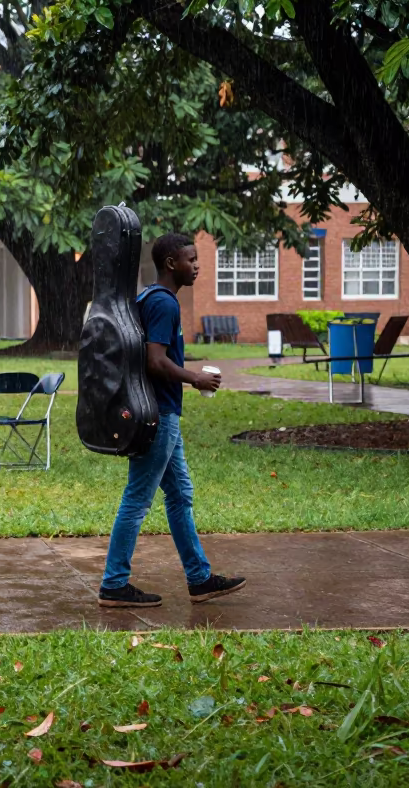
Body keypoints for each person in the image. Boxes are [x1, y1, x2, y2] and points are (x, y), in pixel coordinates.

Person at [98, 233, 246, 608]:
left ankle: (200, 579)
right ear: (171, 263)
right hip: (158, 416)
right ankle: (114, 584)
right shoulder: (163, 304)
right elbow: (155, 361)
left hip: (160, 413)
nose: (197, 265)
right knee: (137, 500)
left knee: (180, 495)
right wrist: (195, 377)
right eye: (191, 259)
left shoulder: (148, 297)